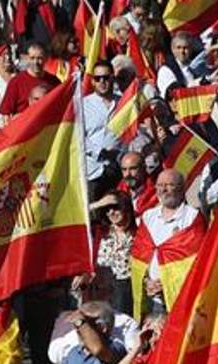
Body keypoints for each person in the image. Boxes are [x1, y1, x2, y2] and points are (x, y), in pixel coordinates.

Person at [136, 169, 205, 314]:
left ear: (181, 188)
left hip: (180, 297)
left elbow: (196, 260)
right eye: (160, 185)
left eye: (169, 185)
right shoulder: (148, 216)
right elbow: (139, 254)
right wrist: (146, 281)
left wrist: (166, 283)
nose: (163, 190)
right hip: (151, 297)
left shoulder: (192, 217)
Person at [89, 193, 138, 315]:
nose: (111, 212)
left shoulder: (138, 232)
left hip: (126, 289)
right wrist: (99, 204)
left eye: (116, 208)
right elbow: (79, 217)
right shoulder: (100, 231)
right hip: (100, 286)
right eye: (107, 209)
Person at [83, 60, 123, 195]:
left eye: (106, 78)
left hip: (120, 168)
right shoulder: (83, 105)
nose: (102, 81)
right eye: (97, 78)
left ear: (113, 78)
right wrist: (99, 152)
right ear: (92, 81)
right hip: (93, 171)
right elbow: (78, 136)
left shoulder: (124, 102)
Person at [0, 40, 59, 119]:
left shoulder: (54, 82)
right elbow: (6, 115)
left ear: (46, 58)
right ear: (27, 58)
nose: (36, 62)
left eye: (40, 58)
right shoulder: (16, 82)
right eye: (32, 58)